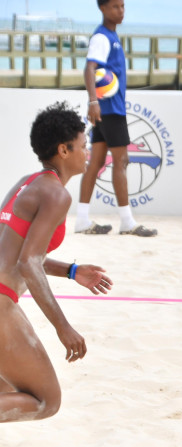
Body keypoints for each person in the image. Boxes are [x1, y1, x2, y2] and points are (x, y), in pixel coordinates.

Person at [0, 101, 113, 423]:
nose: (87, 152)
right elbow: (28, 264)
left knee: (7, 387)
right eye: (82, 145)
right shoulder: (56, 195)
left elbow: (15, 252)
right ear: (63, 150)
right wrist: (64, 328)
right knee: (45, 402)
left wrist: (72, 271)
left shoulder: (26, 182)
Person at [74, 0, 157, 237]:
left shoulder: (112, 36)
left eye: (122, 6)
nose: (120, 11)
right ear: (102, 8)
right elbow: (90, 69)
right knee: (121, 161)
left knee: (97, 163)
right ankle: (127, 222)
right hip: (109, 109)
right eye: (115, 7)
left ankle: (81, 220)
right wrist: (93, 102)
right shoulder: (102, 37)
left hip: (108, 108)